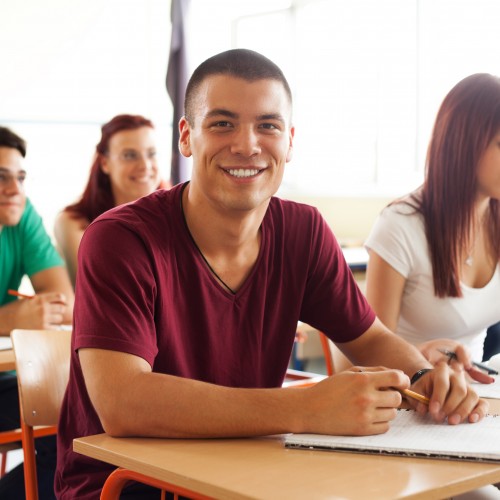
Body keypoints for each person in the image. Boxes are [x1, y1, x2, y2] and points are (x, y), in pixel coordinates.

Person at [55, 50, 487, 500]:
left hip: (247, 471)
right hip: (125, 484)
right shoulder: (119, 239)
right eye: (222, 123)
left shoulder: (303, 230)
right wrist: (306, 407)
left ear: (290, 140)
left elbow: (369, 338)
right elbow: (124, 404)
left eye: (268, 125)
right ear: (186, 138)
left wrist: (424, 378)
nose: (247, 145)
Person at [365, 73, 500, 374]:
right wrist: (419, 357)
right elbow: (364, 357)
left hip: (478, 395)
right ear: (465, 144)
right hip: (409, 397)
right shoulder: (400, 226)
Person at [0, 126, 74, 500]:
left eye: (20, 178)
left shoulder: (20, 211)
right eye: (1, 178)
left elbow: (65, 299)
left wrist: (35, 312)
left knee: (69, 416)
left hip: (5, 378)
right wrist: (7, 320)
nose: (15, 189)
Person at [54, 114, 169, 287]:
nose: (145, 165)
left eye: (151, 154)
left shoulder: (177, 218)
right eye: (130, 155)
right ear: (105, 163)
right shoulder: (73, 222)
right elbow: (102, 291)